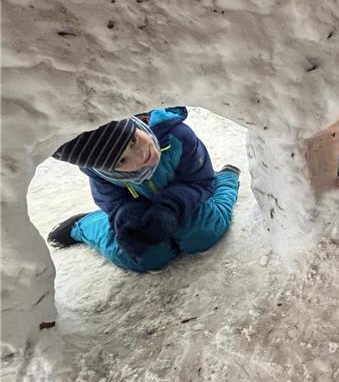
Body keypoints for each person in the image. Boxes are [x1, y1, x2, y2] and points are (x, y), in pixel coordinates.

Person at [46, 106, 241, 272]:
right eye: (122, 160)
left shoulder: (176, 135)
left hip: (184, 199)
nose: (142, 155)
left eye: (132, 140)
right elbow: (114, 201)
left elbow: (199, 181)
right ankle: (83, 225)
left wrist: (170, 208)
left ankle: (226, 179)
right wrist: (129, 219)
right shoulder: (99, 172)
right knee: (143, 258)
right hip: (141, 208)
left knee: (203, 234)